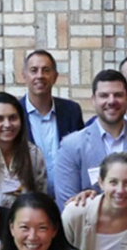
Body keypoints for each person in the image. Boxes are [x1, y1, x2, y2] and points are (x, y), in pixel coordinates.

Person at [54, 69, 127, 208]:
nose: (111, 101)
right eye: (104, 95)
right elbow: (67, 205)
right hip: (88, 228)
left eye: (118, 95)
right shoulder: (71, 146)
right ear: (93, 100)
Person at [20, 49, 84, 194]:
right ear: (24, 76)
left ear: (55, 77)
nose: (40, 76)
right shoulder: (14, 114)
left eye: (46, 70)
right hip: (29, 200)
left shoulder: (71, 111)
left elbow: (82, 155)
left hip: (68, 198)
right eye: (33, 70)